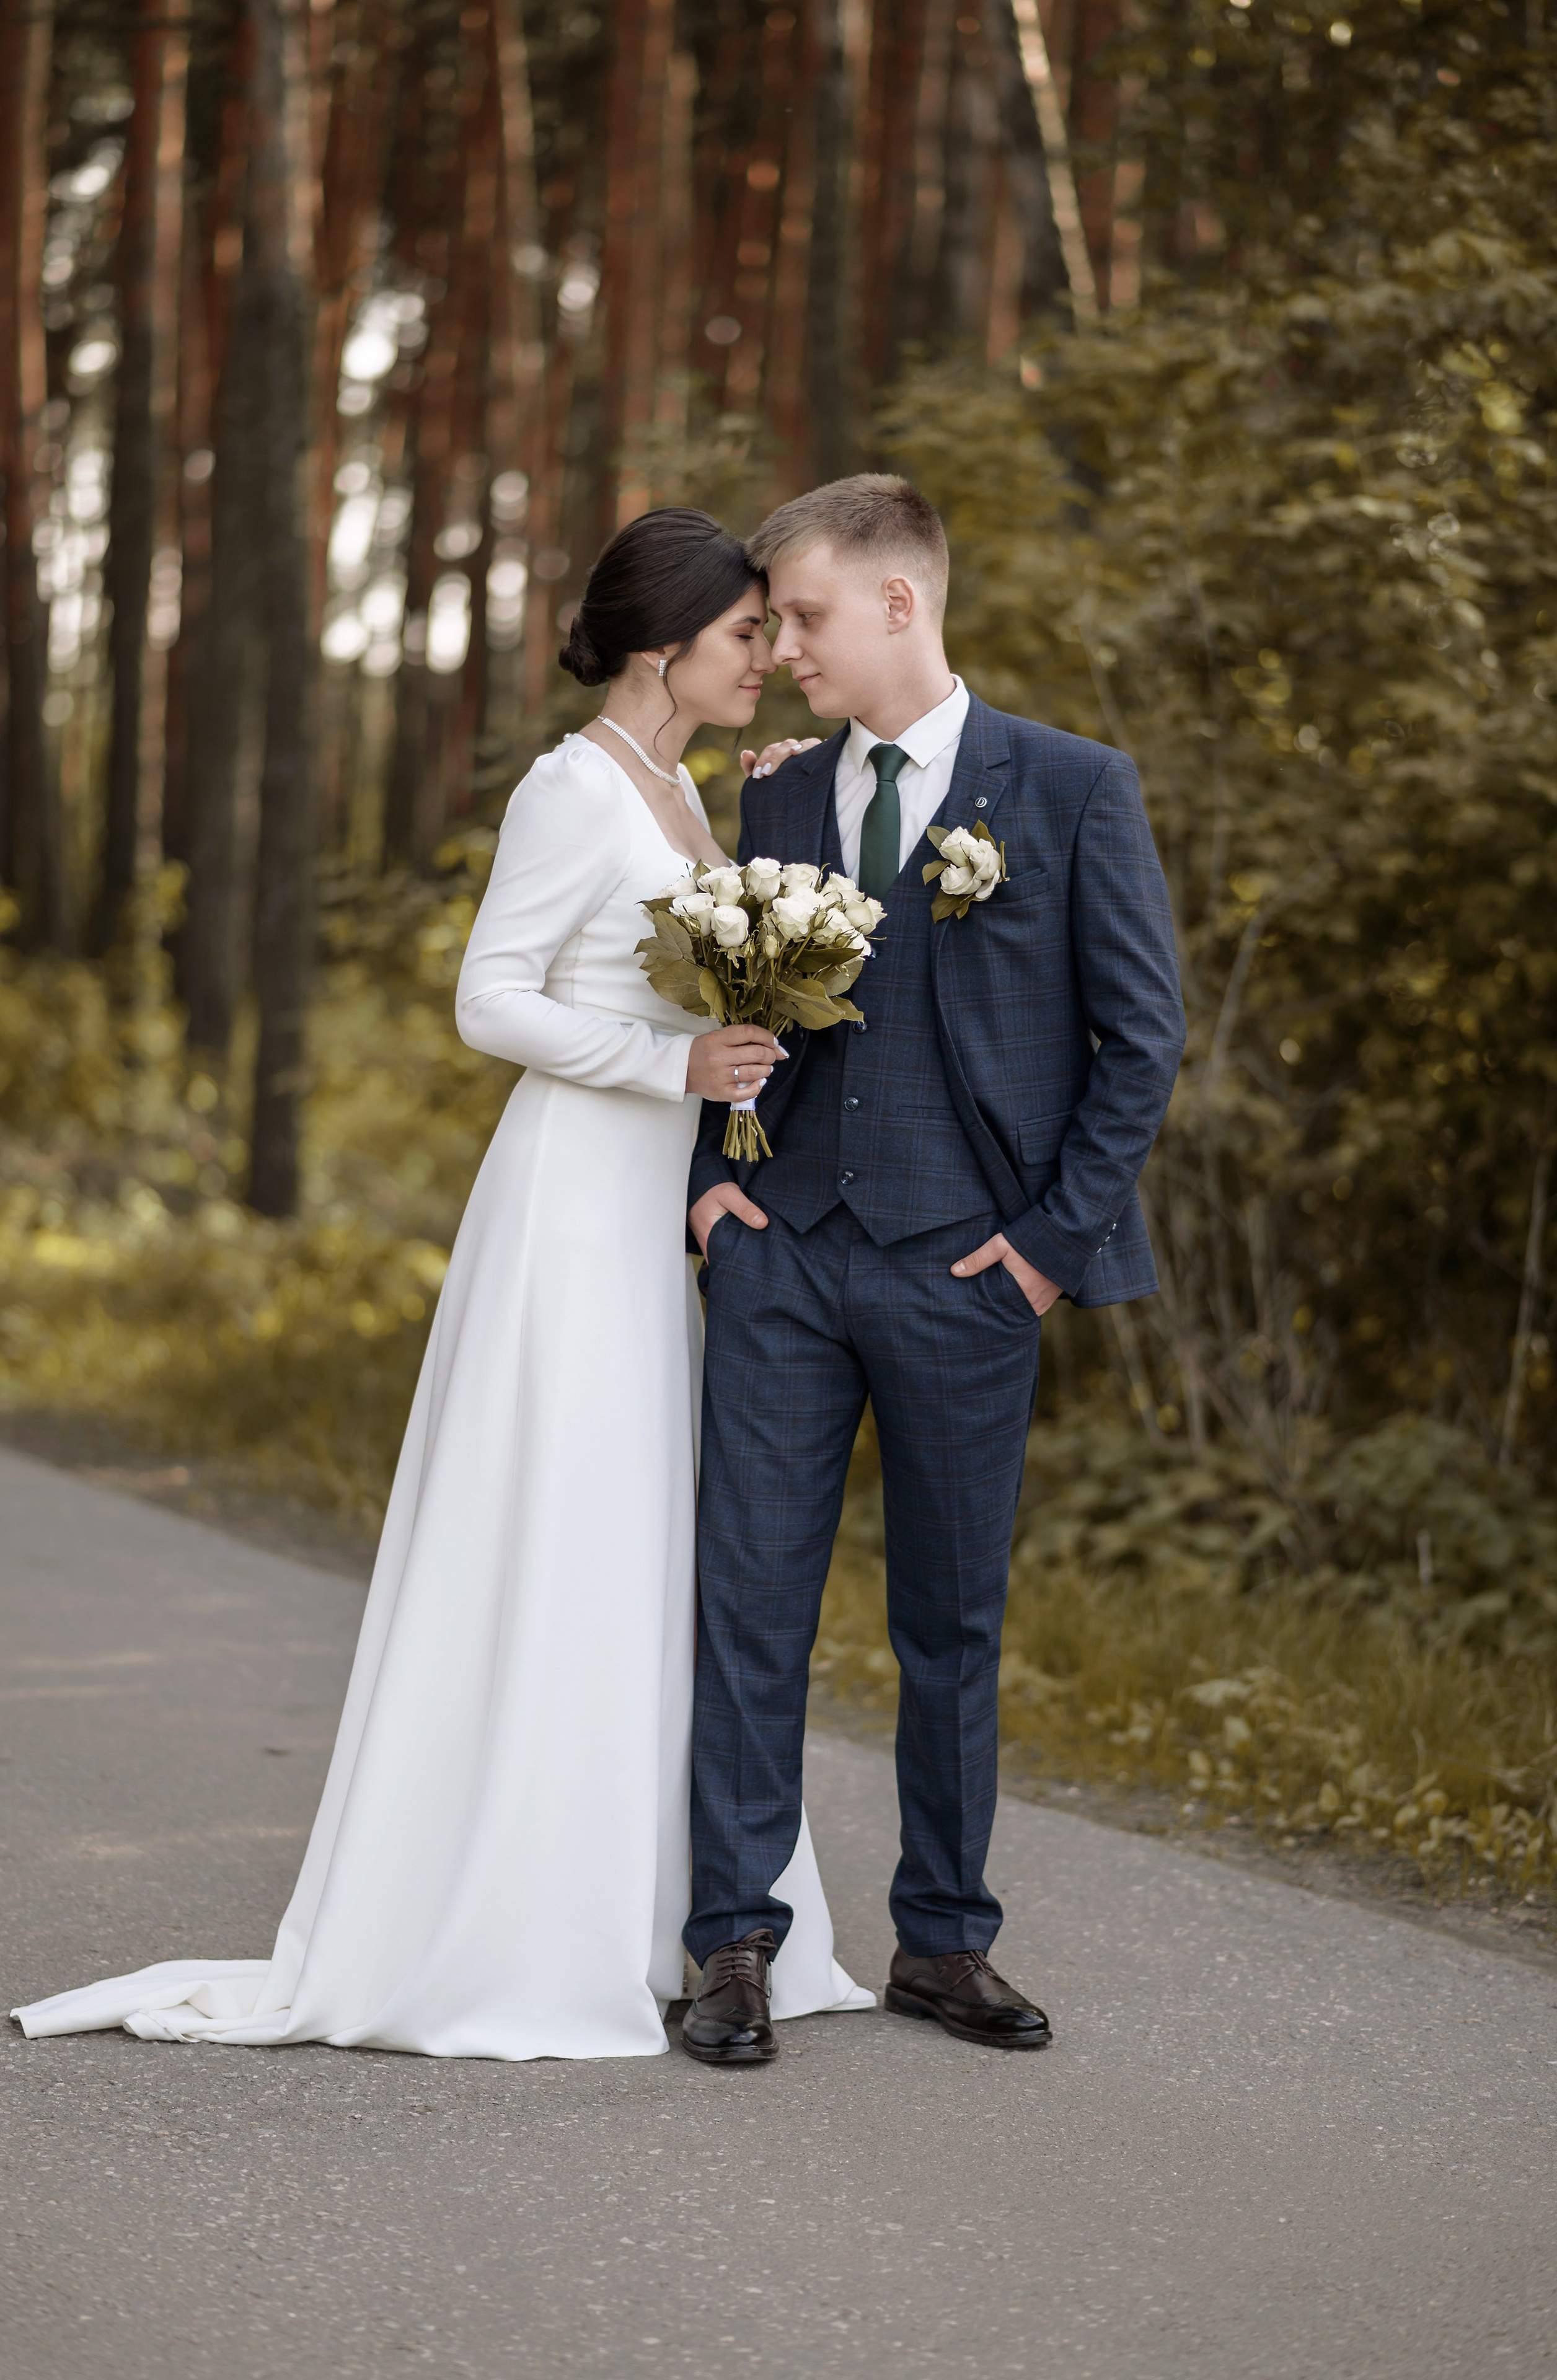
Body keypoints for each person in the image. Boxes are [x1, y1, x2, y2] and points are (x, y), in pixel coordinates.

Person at [14, 508, 872, 2060]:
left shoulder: (681, 789)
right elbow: (490, 999)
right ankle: (519, 1914)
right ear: (660, 641)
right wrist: (668, 1069)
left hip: (648, 1206)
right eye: (745, 633)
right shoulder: (571, 788)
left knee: (639, 1539)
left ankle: (659, 1905)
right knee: (559, 1525)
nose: (765, 655)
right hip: (567, 1203)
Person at [681, 475, 1185, 2065]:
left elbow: (1140, 1041)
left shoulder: (1072, 787)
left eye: (805, 618)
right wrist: (711, 1192)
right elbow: (736, 1012)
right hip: (781, 1264)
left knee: (948, 1626)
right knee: (747, 1610)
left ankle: (944, 1941)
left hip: (967, 1274)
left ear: (899, 602)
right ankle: (732, 1943)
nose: (783, 651)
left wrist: (1040, 1254)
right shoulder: (776, 796)